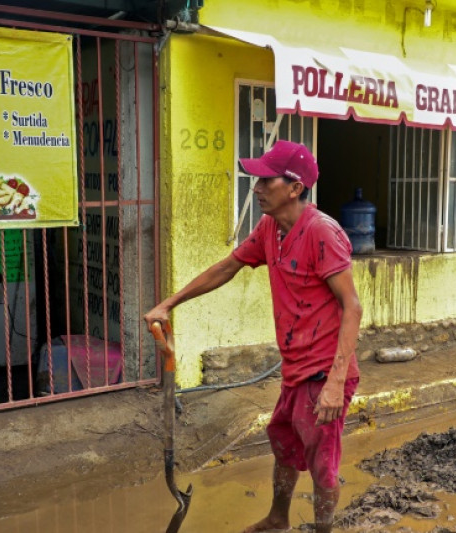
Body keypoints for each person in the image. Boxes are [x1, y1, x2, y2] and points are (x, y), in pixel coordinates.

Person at [144, 140, 362, 533]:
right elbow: (228, 267)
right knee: (283, 440)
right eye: (256, 180)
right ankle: (278, 519)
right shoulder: (270, 229)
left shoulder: (321, 232)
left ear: (294, 188)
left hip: (325, 369)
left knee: (321, 460)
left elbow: (353, 307)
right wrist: (169, 304)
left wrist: (335, 382)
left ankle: (324, 530)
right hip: (297, 367)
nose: (257, 188)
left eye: (266, 180)